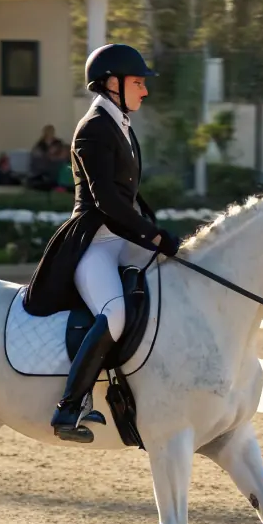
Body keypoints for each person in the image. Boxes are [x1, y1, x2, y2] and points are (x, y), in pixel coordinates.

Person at [25, 43, 178, 443]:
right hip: (94, 239)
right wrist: (155, 235)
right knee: (114, 315)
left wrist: (153, 230)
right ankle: (69, 408)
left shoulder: (121, 123)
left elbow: (127, 196)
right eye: (138, 83)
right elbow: (107, 201)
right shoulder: (93, 127)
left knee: (173, 280)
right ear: (112, 82)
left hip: (122, 236)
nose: (144, 91)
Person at [28, 125, 65, 191]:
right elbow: (36, 156)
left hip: (54, 167)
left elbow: (63, 156)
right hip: (42, 169)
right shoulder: (40, 144)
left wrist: (54, 156)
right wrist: (48, 155)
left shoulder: (58, 143)